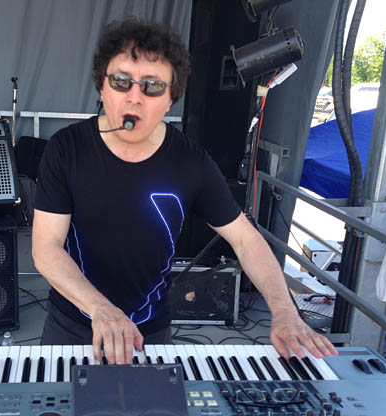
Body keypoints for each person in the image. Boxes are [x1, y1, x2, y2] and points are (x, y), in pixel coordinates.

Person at [32, 17, 338, 365]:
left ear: (170, 99)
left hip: (150, 334)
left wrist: (284, 311)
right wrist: (101, 308)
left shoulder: (191, 162)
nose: (134, 97)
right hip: (72, 325)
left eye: (152, 86)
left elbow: (245, 240)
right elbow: (46, 247)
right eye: (120, 81)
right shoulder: (66, 149)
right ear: (102, 88)